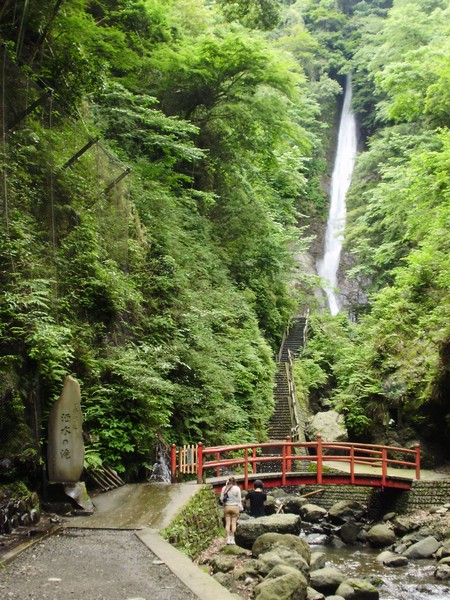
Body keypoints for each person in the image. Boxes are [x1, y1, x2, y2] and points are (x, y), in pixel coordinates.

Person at [220, 477, 242, 544]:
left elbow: (221, 499)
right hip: (235, 507)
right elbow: (239, 500)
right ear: (235, 482)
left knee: (227, 523)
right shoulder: (237, 488)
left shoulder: (224, 488)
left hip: (227, 507)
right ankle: (233, 539)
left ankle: (228, 539)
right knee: (233, 523)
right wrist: (240, 507)